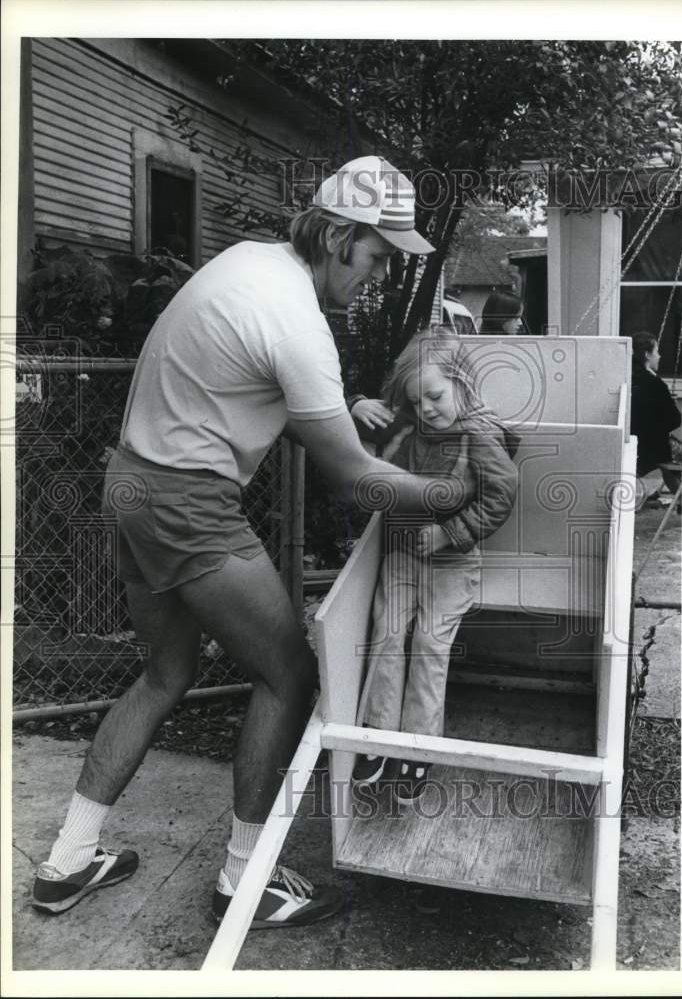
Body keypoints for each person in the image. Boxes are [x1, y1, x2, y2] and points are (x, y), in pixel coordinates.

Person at [31, 156, 469, 930]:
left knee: (163, 674)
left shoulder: (249, 263)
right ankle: (244, 882)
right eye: (375, 256)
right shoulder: (297, 320)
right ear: (339, 234)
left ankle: (67, 859)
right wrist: (459, 494)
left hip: (129, 485)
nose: (375, 275)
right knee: (291, 676)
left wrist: (345, 423)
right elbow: (353, 481)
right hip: (188, 504)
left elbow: (251, 392)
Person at [351, 332, 519, 804]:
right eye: (416, 399)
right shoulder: (409, 422)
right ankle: (380, 735)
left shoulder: (478, 434)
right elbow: (366, 431)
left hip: (453, 559)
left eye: (435, 396)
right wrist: (355, 403)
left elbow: (501, 495)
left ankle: (419, 746)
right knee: (386, 630)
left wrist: (450, 533)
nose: (426, 408)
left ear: (462, 384)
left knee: (429, 641)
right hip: (403, 552)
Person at [630, 331, 682, 497]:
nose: (659, 356)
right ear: (647, 354)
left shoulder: (627, 378)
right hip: (652, 447)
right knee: (677, 451)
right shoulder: (655, 384)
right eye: (657, 351)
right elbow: (675, 420)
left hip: (634, 442)